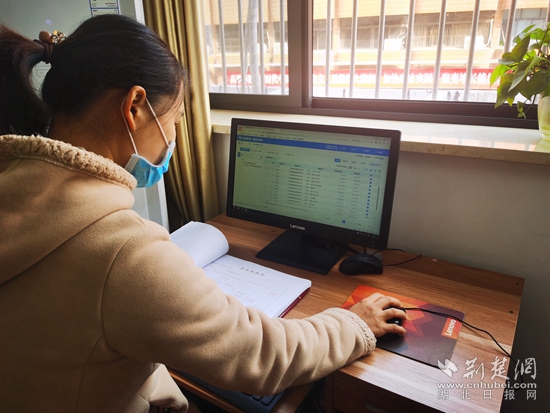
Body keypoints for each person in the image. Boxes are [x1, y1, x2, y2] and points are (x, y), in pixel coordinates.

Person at [0, 14, 406, 412]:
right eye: (176, 118)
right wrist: (355, 323)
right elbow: (263, 356)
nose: (173, 136)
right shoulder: (121, 252)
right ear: (135, 107)